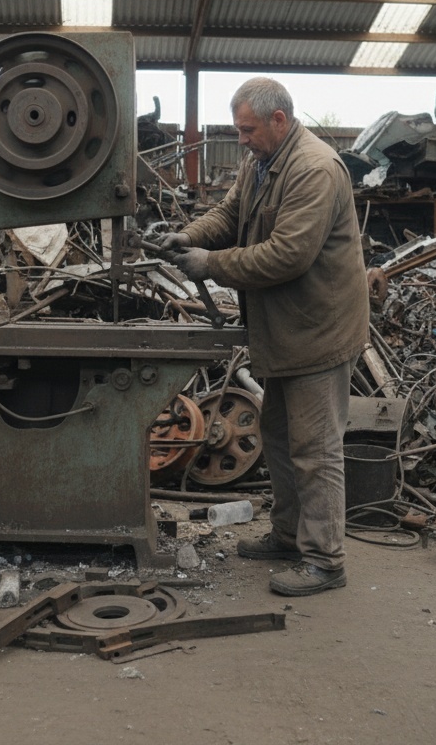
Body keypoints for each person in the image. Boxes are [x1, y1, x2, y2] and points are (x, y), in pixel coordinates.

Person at [159, 77, 369, 596]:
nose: (242, 139)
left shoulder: (315, 169)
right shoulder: (262, 160)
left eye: (248, 129)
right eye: (239, 130)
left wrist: (210, 264)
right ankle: (289, 536)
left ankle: (326, 560)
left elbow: (288, 255)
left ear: (279, 120)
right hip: (285, 331)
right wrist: (188, 236)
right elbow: (230, 214)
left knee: (316, 450)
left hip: (317, 332)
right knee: (278, 438)